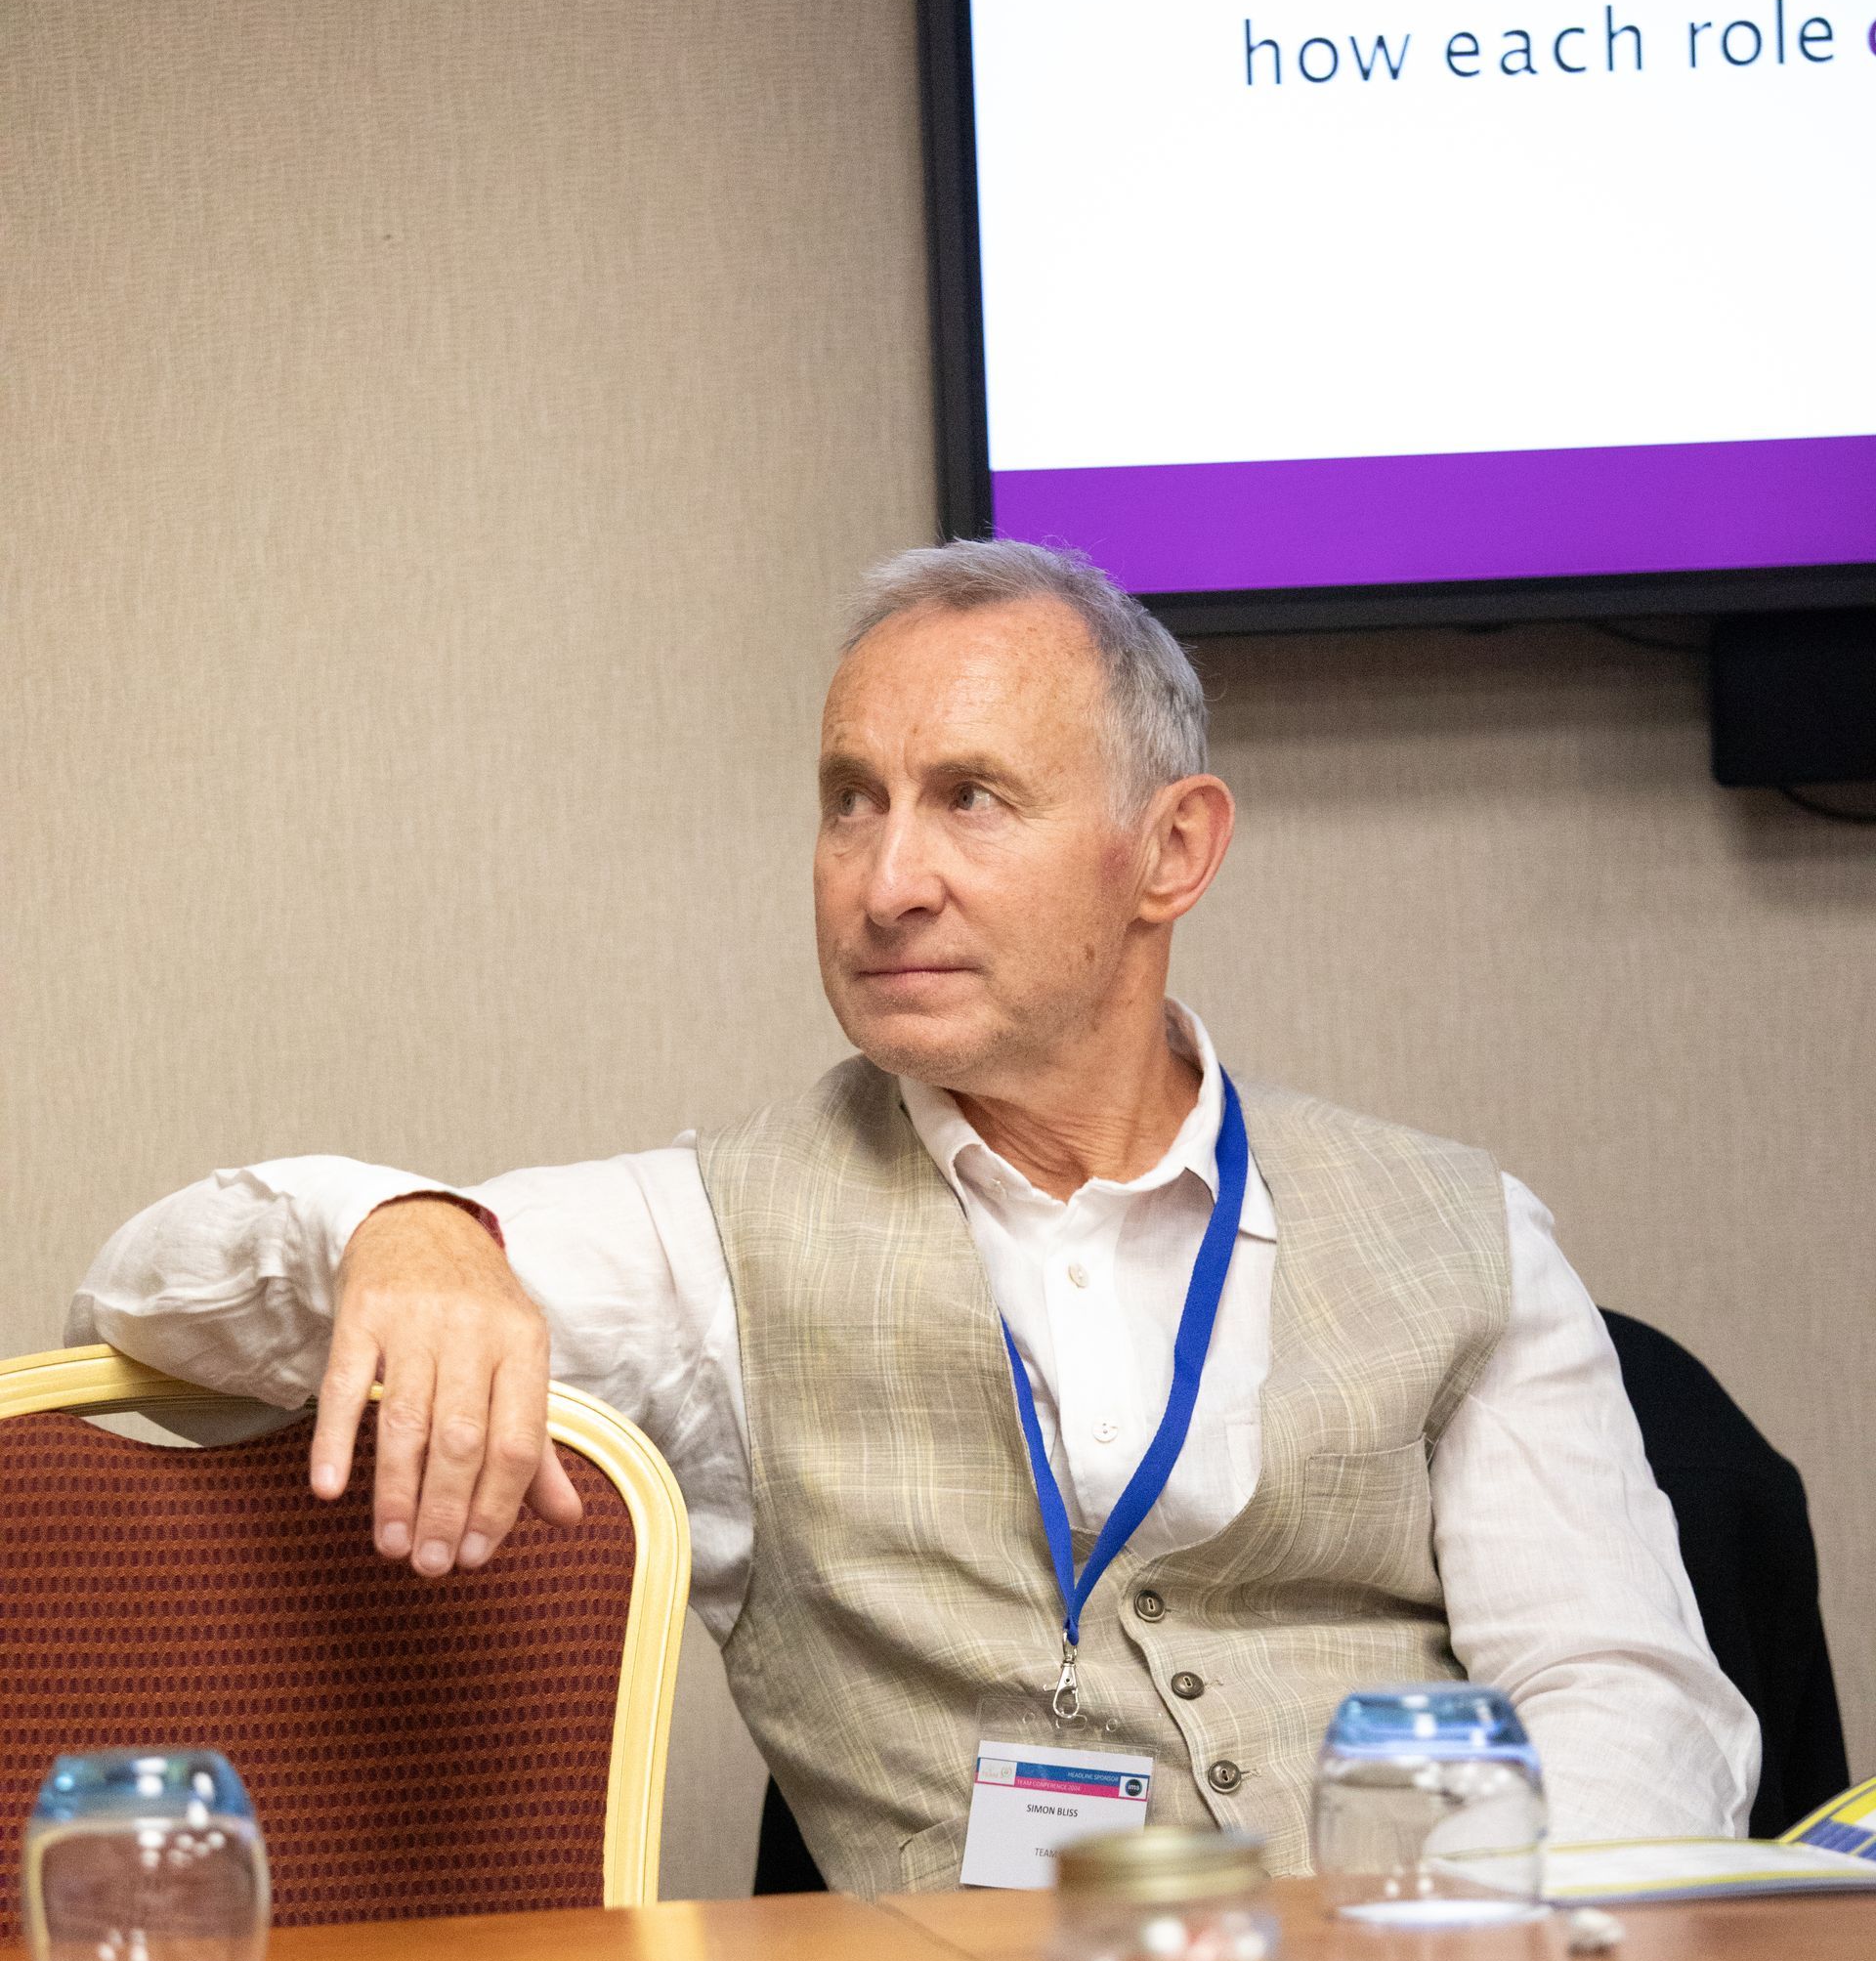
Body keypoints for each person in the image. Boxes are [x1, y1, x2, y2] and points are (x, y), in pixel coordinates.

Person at [70, 540, 1759, 1893]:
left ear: (1171, 851)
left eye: (971, 797)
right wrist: (408, 1228)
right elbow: (141, 1306)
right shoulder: (709, 1245)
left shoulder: (1463, 1230)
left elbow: (1623, 1694)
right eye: (849, 800)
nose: (885, 883)